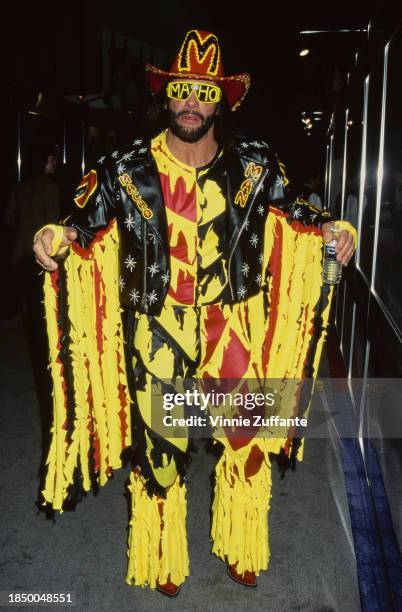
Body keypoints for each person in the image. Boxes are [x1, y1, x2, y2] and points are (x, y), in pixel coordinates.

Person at [33, 30, 356, 597]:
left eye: (203, 93)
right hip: (160, 326)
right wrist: (53, 234)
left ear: (221, 101)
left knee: (247, 439)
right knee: (161, 453)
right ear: (167, 97)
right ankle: (161, 556)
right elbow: (80, 222)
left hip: (233, 324)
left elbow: (301, 207)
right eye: (181, 90)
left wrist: (334, 226)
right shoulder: (126, 168)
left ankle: (241, 540)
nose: (190, 103)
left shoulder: (255, 165)